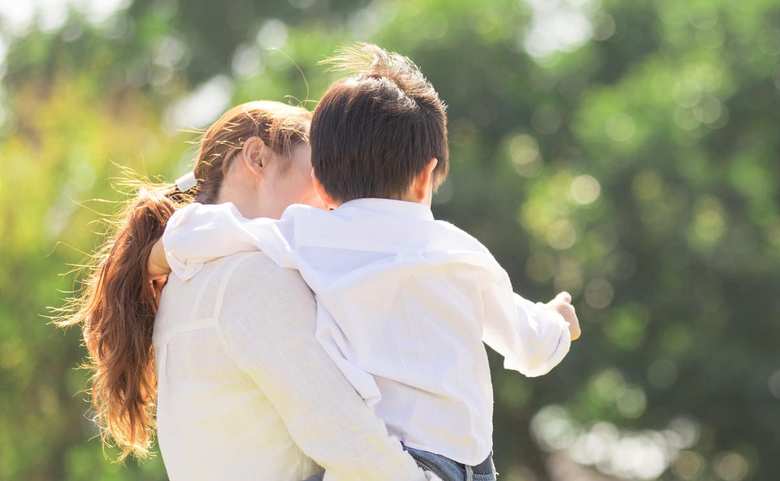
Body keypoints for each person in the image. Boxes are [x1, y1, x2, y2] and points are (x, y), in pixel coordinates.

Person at [153, 44, 582, 481]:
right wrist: (558, 321)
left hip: (389, 458)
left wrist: (157, 255)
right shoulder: (460, 253)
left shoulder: (305, 237)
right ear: (425, 176)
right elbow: (532, 346)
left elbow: (211, 230)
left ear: (321, 182)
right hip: (465, 467)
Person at [57, 100, 438, 481]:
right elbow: (343, 434)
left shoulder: (183, 284)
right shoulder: (253, 278)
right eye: (318, 172)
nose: (331, 197)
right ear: (257, 158)